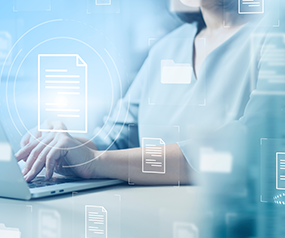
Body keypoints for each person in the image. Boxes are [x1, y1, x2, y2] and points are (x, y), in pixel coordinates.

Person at [15, 0, 269, 185]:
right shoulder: (167, 49)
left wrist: (95, 162)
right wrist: (65, 146)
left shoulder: (279, 39)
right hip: (148, 226)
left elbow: (247, 146)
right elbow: (116, 138)